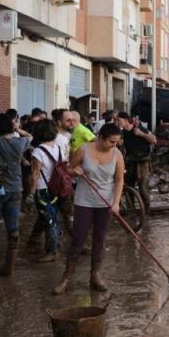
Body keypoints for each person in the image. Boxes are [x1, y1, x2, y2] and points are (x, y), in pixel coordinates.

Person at [53, 123, 124, 294]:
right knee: (78, 238)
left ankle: (95, 276)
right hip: (84, 200)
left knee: (99, 238)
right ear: (100, 137)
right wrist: (74, 171)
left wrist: (116, 203)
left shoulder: (117, 154)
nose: (113, 145)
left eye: (116, 142)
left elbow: (119, 180)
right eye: (111, 142)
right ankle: (66, 278)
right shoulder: (84, 149)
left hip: (105, 202)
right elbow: (69, 169)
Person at [0, 113, 32, 276]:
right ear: (10, 126)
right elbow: (30, 136)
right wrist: (17, 129)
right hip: (17, 190)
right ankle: (9, 269)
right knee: (13, 230)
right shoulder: (20, 142)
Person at [28, 119, 63, 263]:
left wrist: (30, 193)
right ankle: (36, 242)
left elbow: (35, 174)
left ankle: (52, 251)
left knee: (49, 219)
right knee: (49, 216)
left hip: (42, 190)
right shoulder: (57, 147)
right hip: (55, 188)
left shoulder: (38, 151)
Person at [116, 112, 156, 213]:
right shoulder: (122, 133)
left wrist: (141, 134)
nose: (117, 122)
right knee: (129, 185)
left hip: (143, 161)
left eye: (119, 120)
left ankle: (146, 209)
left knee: (143, 186)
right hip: (130, 161)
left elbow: (154, 140)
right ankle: (131, 209)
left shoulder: (138, 128)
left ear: (125, 120)